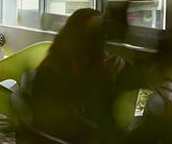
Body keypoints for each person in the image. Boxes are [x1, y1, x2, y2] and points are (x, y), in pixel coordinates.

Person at [19, 8, 127, 143]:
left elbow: (142, 93)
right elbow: (59, 114)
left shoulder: (101, 62)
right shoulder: (52, 68)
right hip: (59, 133)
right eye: (93, 32)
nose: (98, 38)